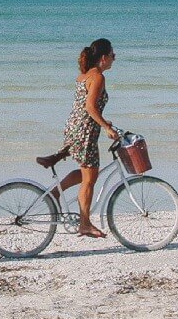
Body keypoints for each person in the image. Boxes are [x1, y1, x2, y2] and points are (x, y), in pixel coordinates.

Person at [40, 38, 119, 239]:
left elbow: (87, 108)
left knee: (88, 174)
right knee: (90, 180)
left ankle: (55, 193)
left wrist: (103, 122)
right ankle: (84, 224)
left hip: (75, 128)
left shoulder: (84, 75)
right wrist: (106, 127)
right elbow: (90, 107)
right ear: (103, 57)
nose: (114, 58)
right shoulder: (98, 77)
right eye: (112, 55)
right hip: (85, 132)